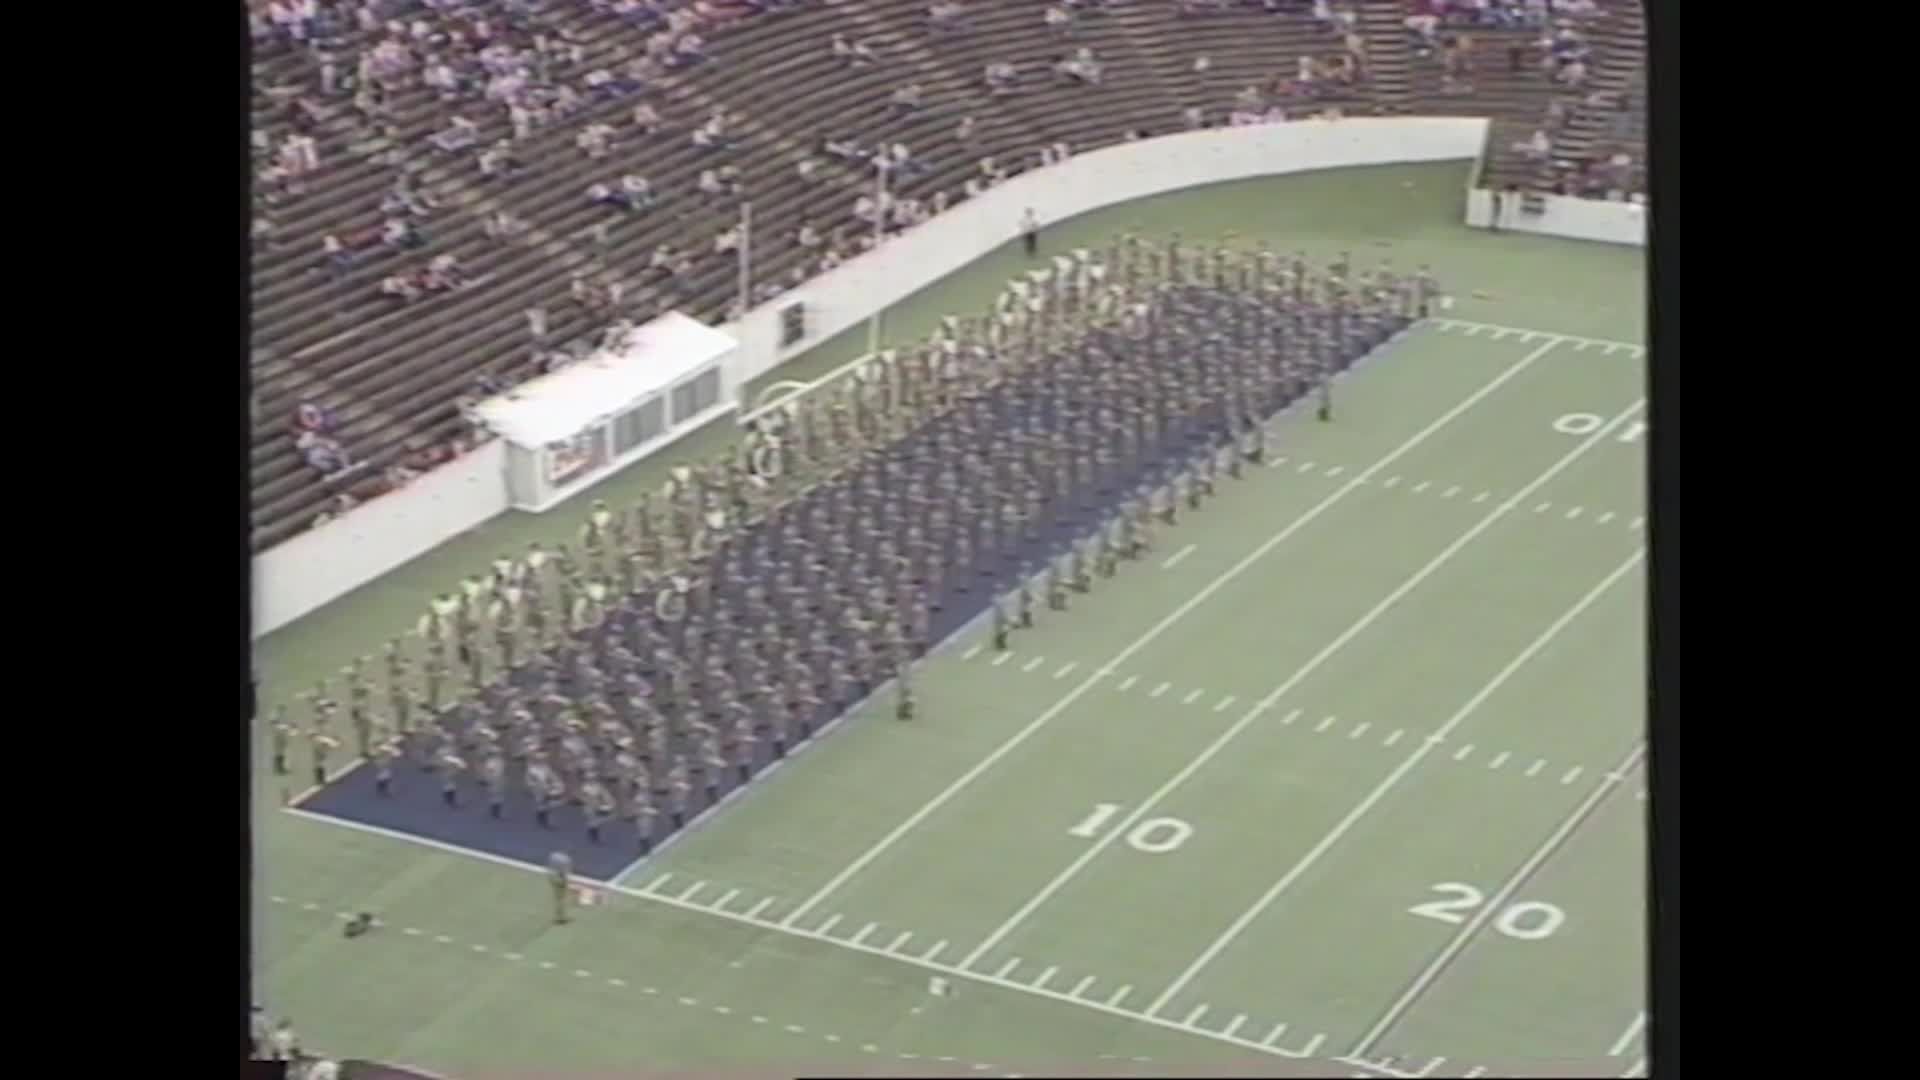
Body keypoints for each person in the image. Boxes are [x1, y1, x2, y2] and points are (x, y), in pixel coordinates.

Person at [549, 850, 574, 924]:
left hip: (554, 879)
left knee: (558, 899)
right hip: (560, 882)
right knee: (561, 900)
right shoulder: (567, 861)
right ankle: (560, 917)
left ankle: (559, 916)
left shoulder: (554, 856)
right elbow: (565, 874)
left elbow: (551, 868)